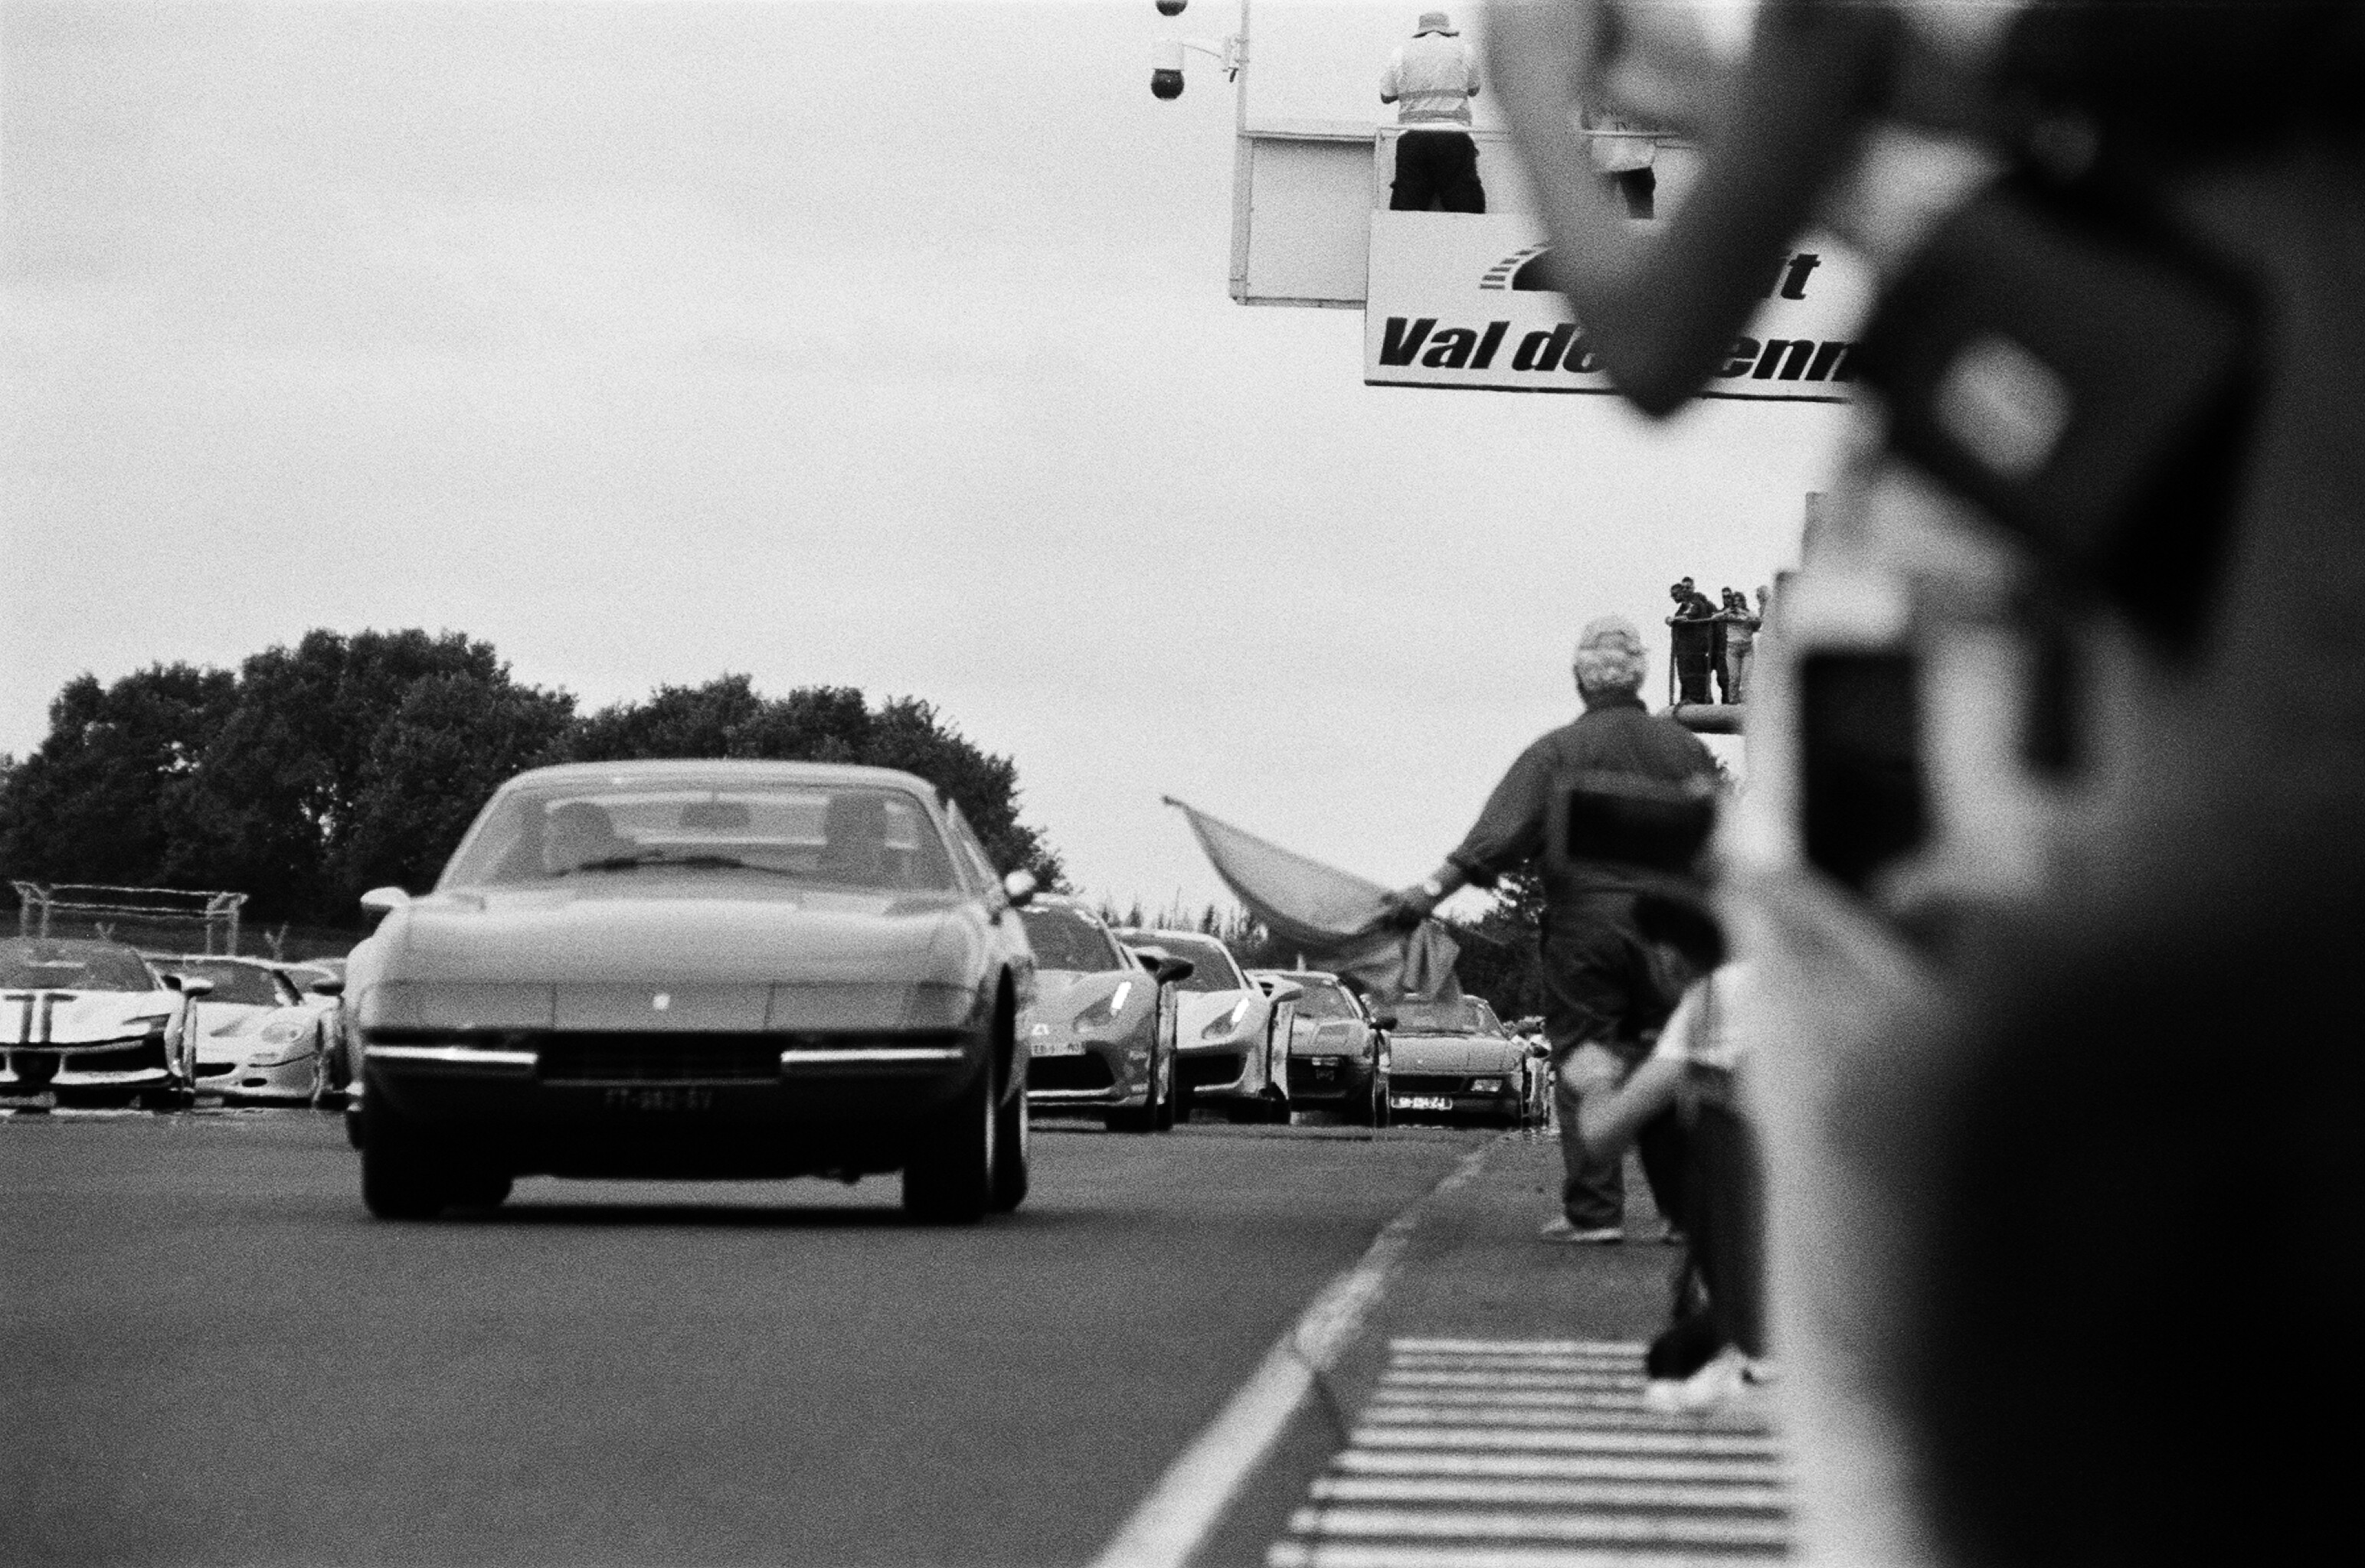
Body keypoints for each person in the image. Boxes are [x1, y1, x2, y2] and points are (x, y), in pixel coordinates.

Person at [1382, 615, 1718, 1243]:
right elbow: (1721, 840)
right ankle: (1682, 1210)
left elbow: (1495, 838)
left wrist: (1428, 895)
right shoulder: (1686, 751)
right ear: (1642, 675)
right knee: (1671, 1061)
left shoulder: (1556, 753)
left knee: (1588, 1056)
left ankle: (1595, 1212)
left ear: (1578, 679)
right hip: (1672, 936)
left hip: (1585, 932)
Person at [1381, 12, 1485, 214]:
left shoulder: (1401, 52)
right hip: (1454, 138)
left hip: (1412, 138)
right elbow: (1474, 88)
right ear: (1446, 30)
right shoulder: (1464, 49)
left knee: (1406, 210)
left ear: (1420, 31)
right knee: (1467, 209)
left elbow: (1386, 95)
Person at [1666, 579, 1717, 704]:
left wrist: (1673, 620)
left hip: (1694, 648)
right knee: (1685, 676)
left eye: (1687, 588)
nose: (1684, 591)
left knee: (1695, 676)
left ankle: (1698, 700)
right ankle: (1688, 698)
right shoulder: (1684, 606)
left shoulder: (1695, 603)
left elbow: (1689, 616)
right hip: (1685, 649)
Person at [1717, 587, 1761, 703]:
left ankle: (1745, 702)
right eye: (1735, 601)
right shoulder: (1728, 613)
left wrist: (1742, 615)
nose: (1737, 604)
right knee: (1734, 678)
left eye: (1739, 601)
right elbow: (1716, 617)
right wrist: (1728, 614)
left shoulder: (1748, 614)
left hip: (1747, 648)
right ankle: (1733, 701)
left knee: (1746, 678)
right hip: (1733, 648)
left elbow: (1757, 621)